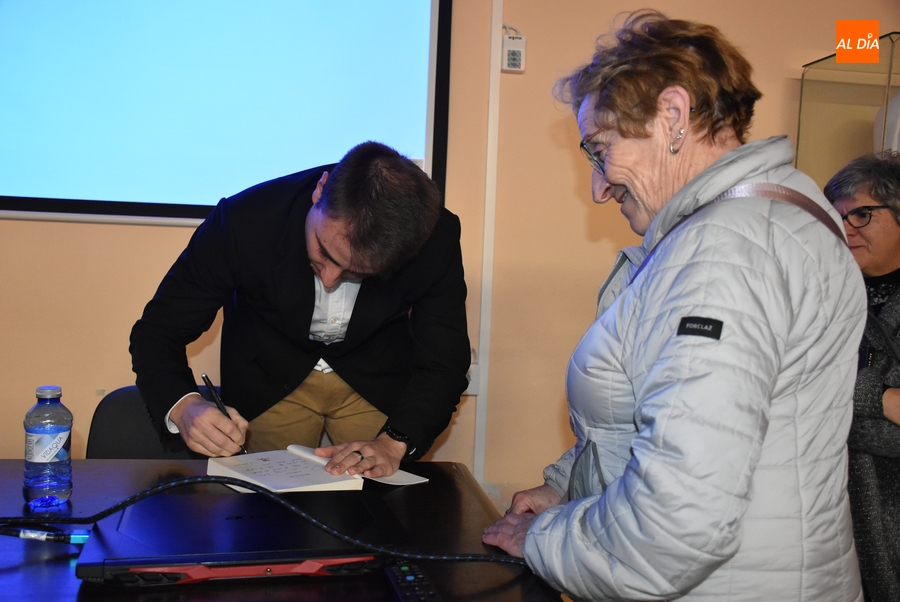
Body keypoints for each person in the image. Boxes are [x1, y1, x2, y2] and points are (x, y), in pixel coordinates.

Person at [482, 11, 867, 601]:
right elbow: (660, 416)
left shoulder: (724, 253)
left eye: (600, 149)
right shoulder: (770, 222)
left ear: (673, 116)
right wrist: (569, 485)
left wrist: (545, 536)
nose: (599, 187)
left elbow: (674, 525)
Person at [130, 141, 470, 478]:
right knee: (262, 503)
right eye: (323, 249)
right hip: (269, 372)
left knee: (382, 499)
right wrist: (185, 407)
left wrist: (395, 442)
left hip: (375, 375)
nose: (330, 278)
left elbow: (444, 363)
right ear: (320, 190)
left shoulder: (434, 239)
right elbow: (159, 331)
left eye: (356, 273)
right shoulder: (244, 221)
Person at [824, 151, 900, 602]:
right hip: (828, 535)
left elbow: (811, 408)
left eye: (862, 214)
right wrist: (882, 398)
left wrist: (835, 408)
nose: (846, 228)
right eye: (836, 217)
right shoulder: (820, 294)